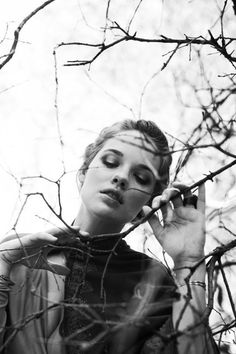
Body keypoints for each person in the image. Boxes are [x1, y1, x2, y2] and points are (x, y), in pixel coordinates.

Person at [0, 119, 218, 354]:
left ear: (146, 205)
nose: (122, 177)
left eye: (141, 177)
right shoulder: (19, 250)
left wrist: (188, 263)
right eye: (111, 162)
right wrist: (2, 264)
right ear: (83, 172)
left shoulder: (151, 279)